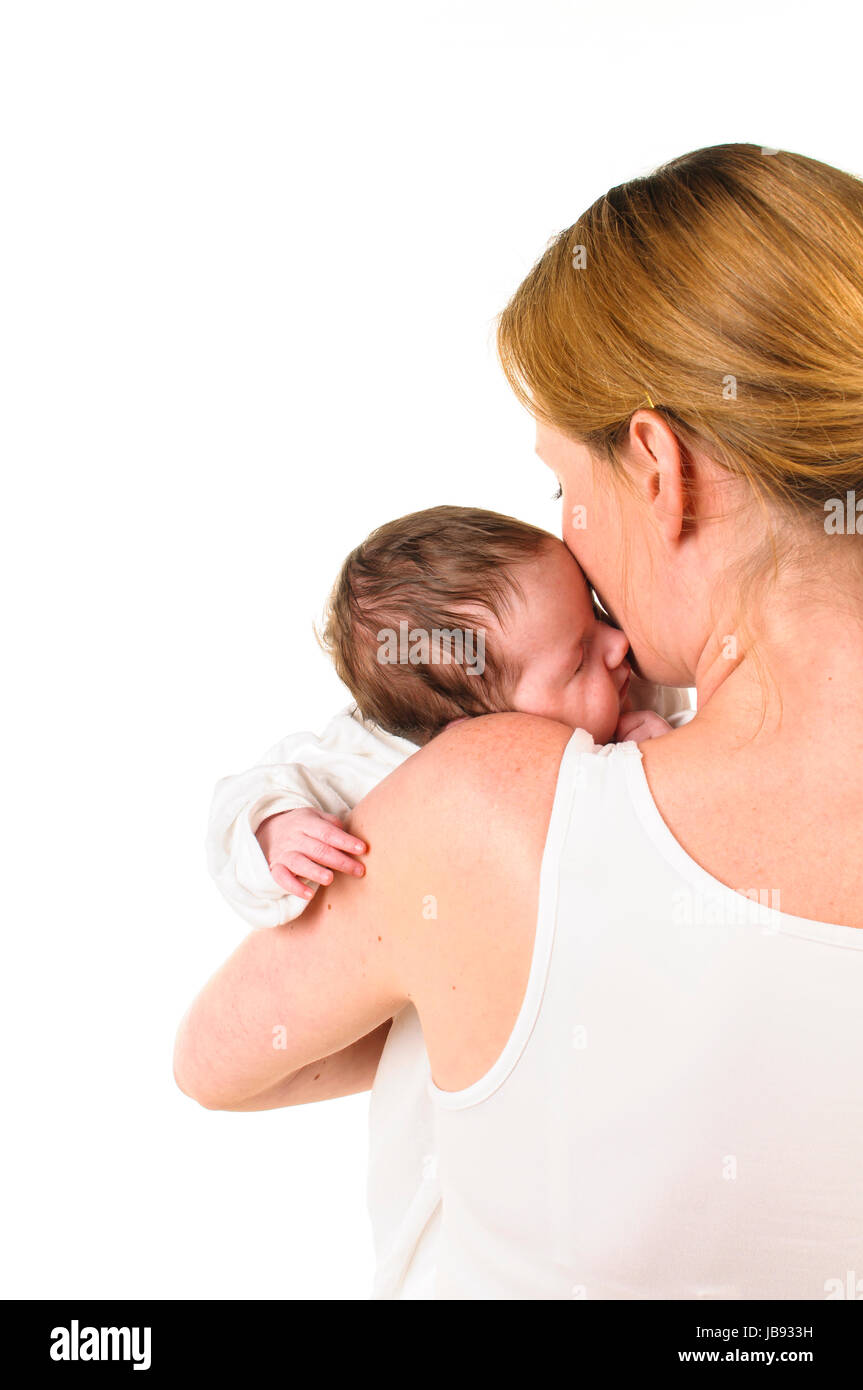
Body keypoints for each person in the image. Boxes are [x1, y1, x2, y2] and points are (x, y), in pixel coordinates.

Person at [174, 142, 863, 1299]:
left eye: (562, 487)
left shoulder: (493, 805)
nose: (567, 541)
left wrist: (446, 969)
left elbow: (217, 1061)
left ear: (658, 466)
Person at [204, 504, 691, 1298]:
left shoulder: (625, 703)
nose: (617, 645)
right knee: (448, 1217)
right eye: (575, 663)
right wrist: (274, 831)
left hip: (612, 1125)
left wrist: (661, 756)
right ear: (470, 731)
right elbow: (252, 792)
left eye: (597, 613)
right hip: (450, 1142)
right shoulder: (379, 766)